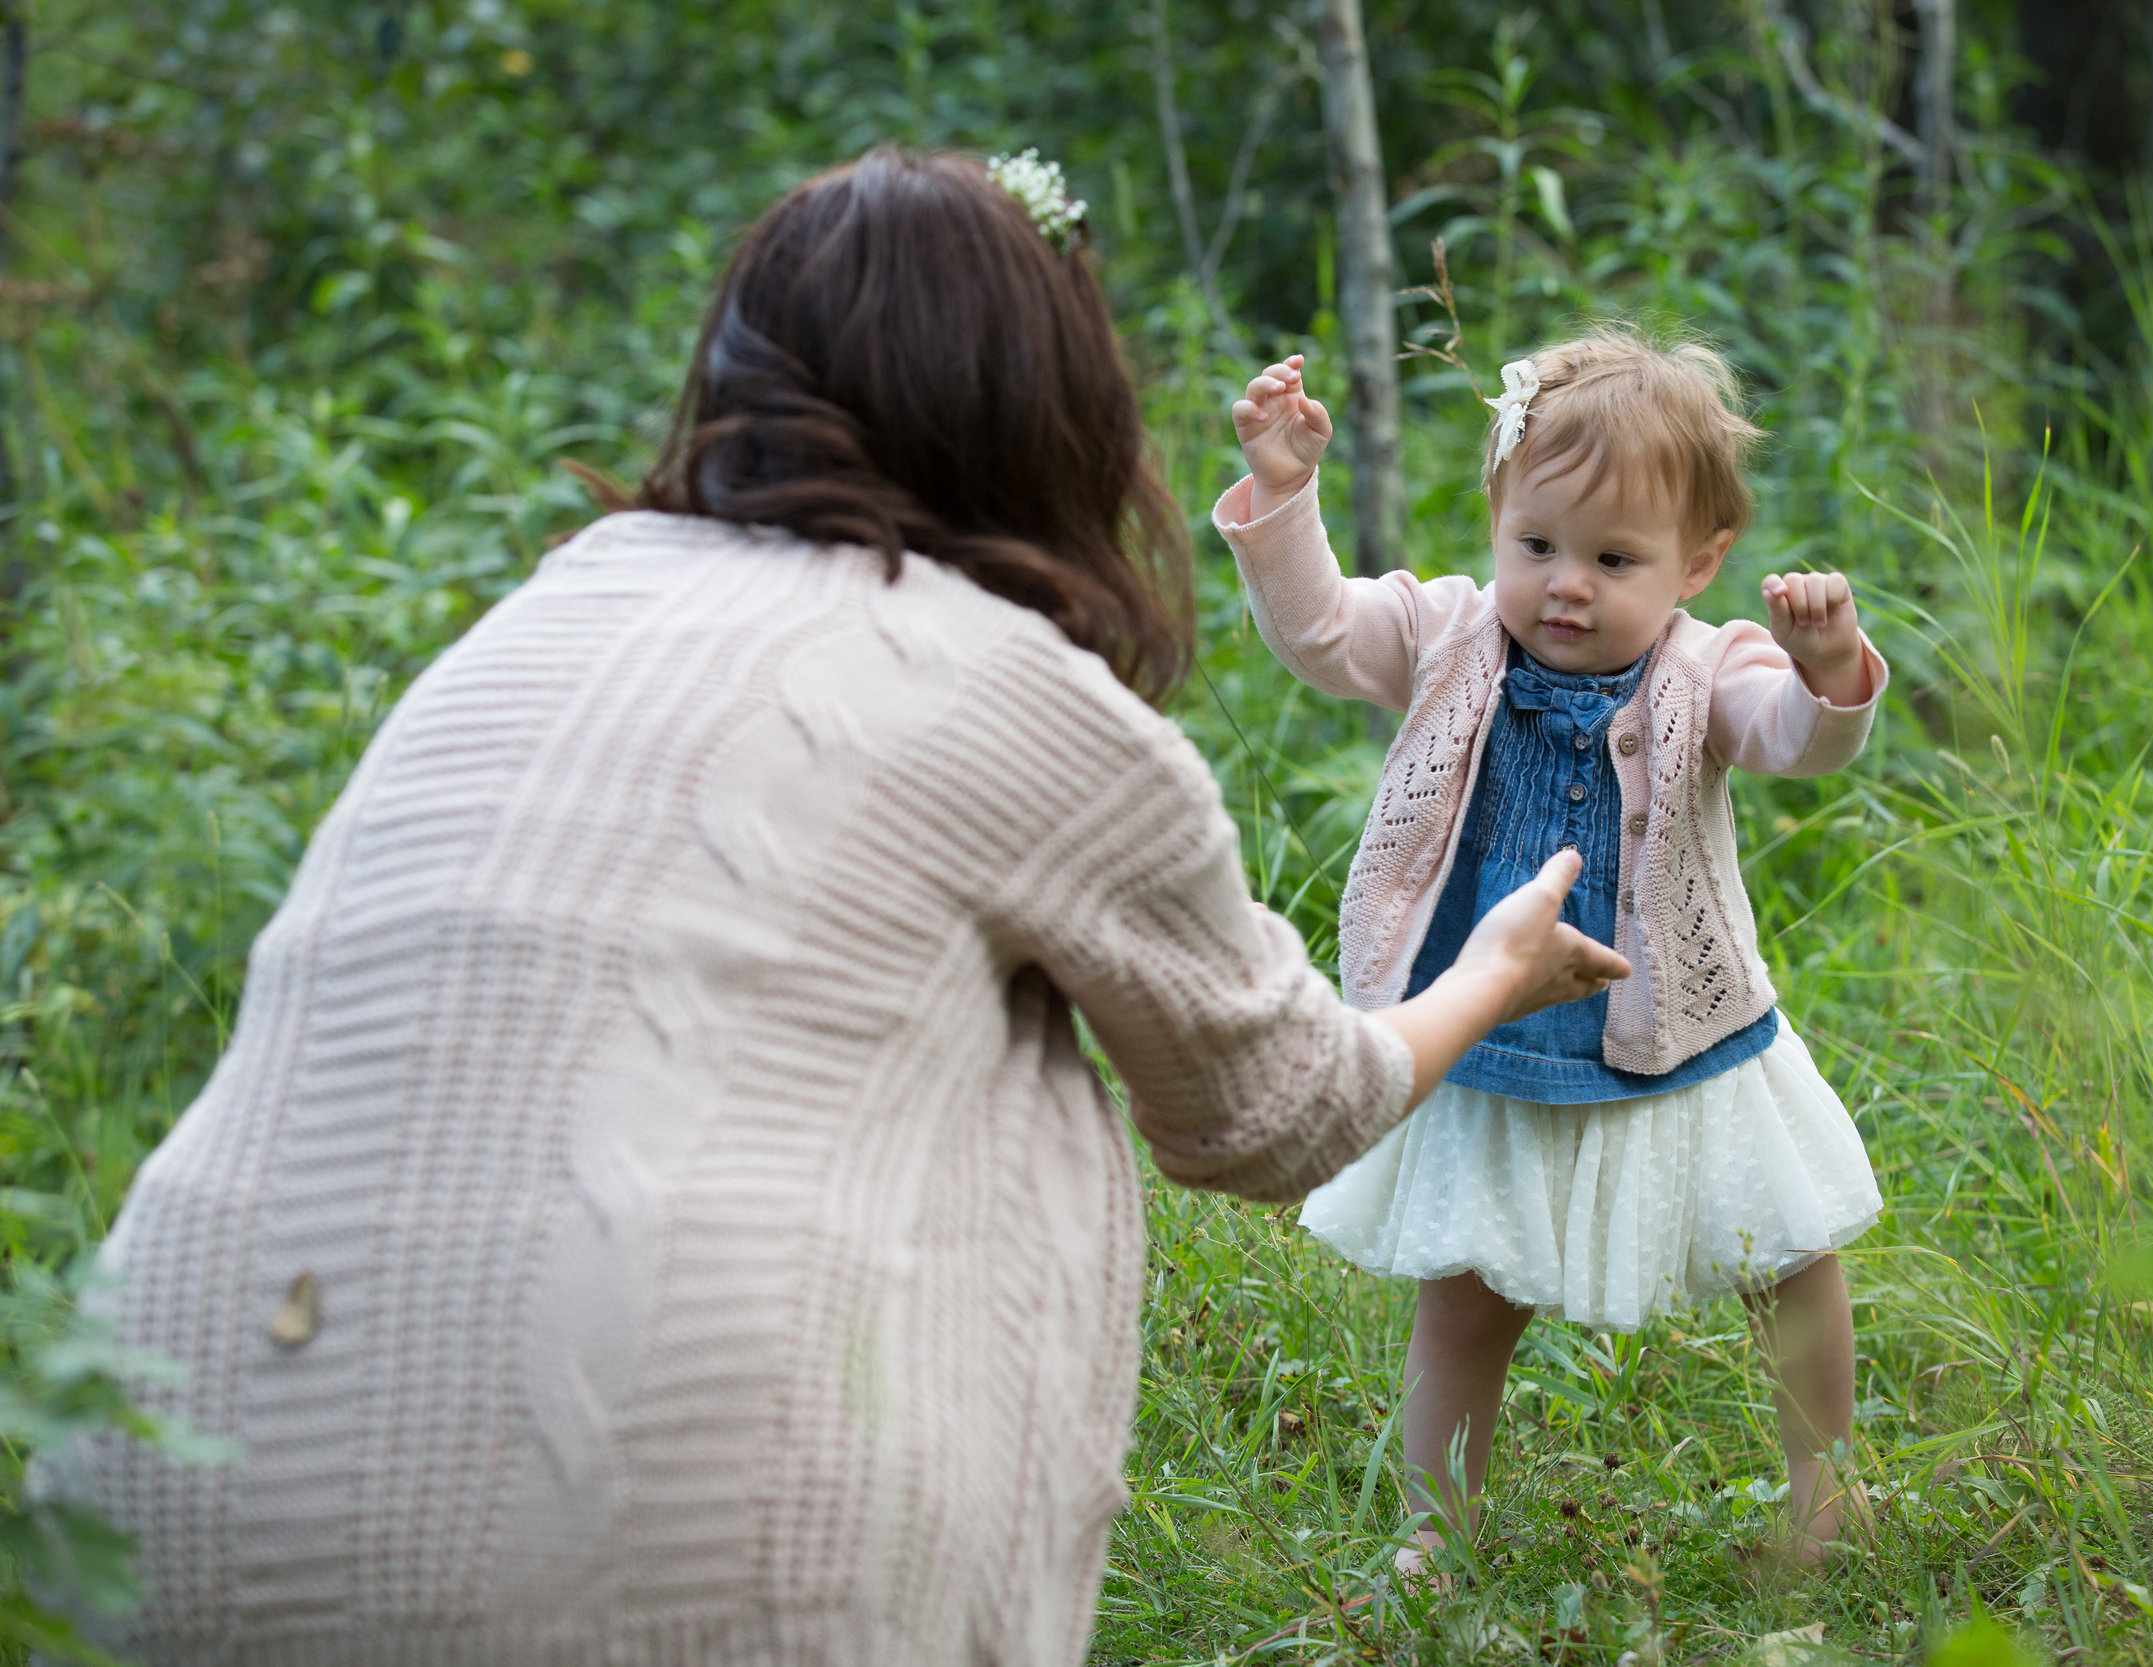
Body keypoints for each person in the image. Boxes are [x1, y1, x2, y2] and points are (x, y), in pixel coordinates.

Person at [48, 149, 1628, 1666]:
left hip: (132, 1494)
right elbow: (1277, 1110)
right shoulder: (1024, 695)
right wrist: (1486, 974)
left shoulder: (545, 606)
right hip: (656, 1538)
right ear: (1050, 413)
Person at [1216, 333, 1888, 1570]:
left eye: (1614, 558)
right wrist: (1283, 494)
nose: (1565, 584)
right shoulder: (1447, 633)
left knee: (1787, 1254)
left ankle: (1822, 1507)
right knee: (1466, 1298)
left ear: (1700, 561)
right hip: (1489, 1024)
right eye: (1537, 546)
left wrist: (1827, 664)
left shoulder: (1709, 665)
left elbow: (1795, 735)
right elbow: (1316, 631)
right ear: (1495, 523)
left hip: (1677, 1021)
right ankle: (1439, 1532)